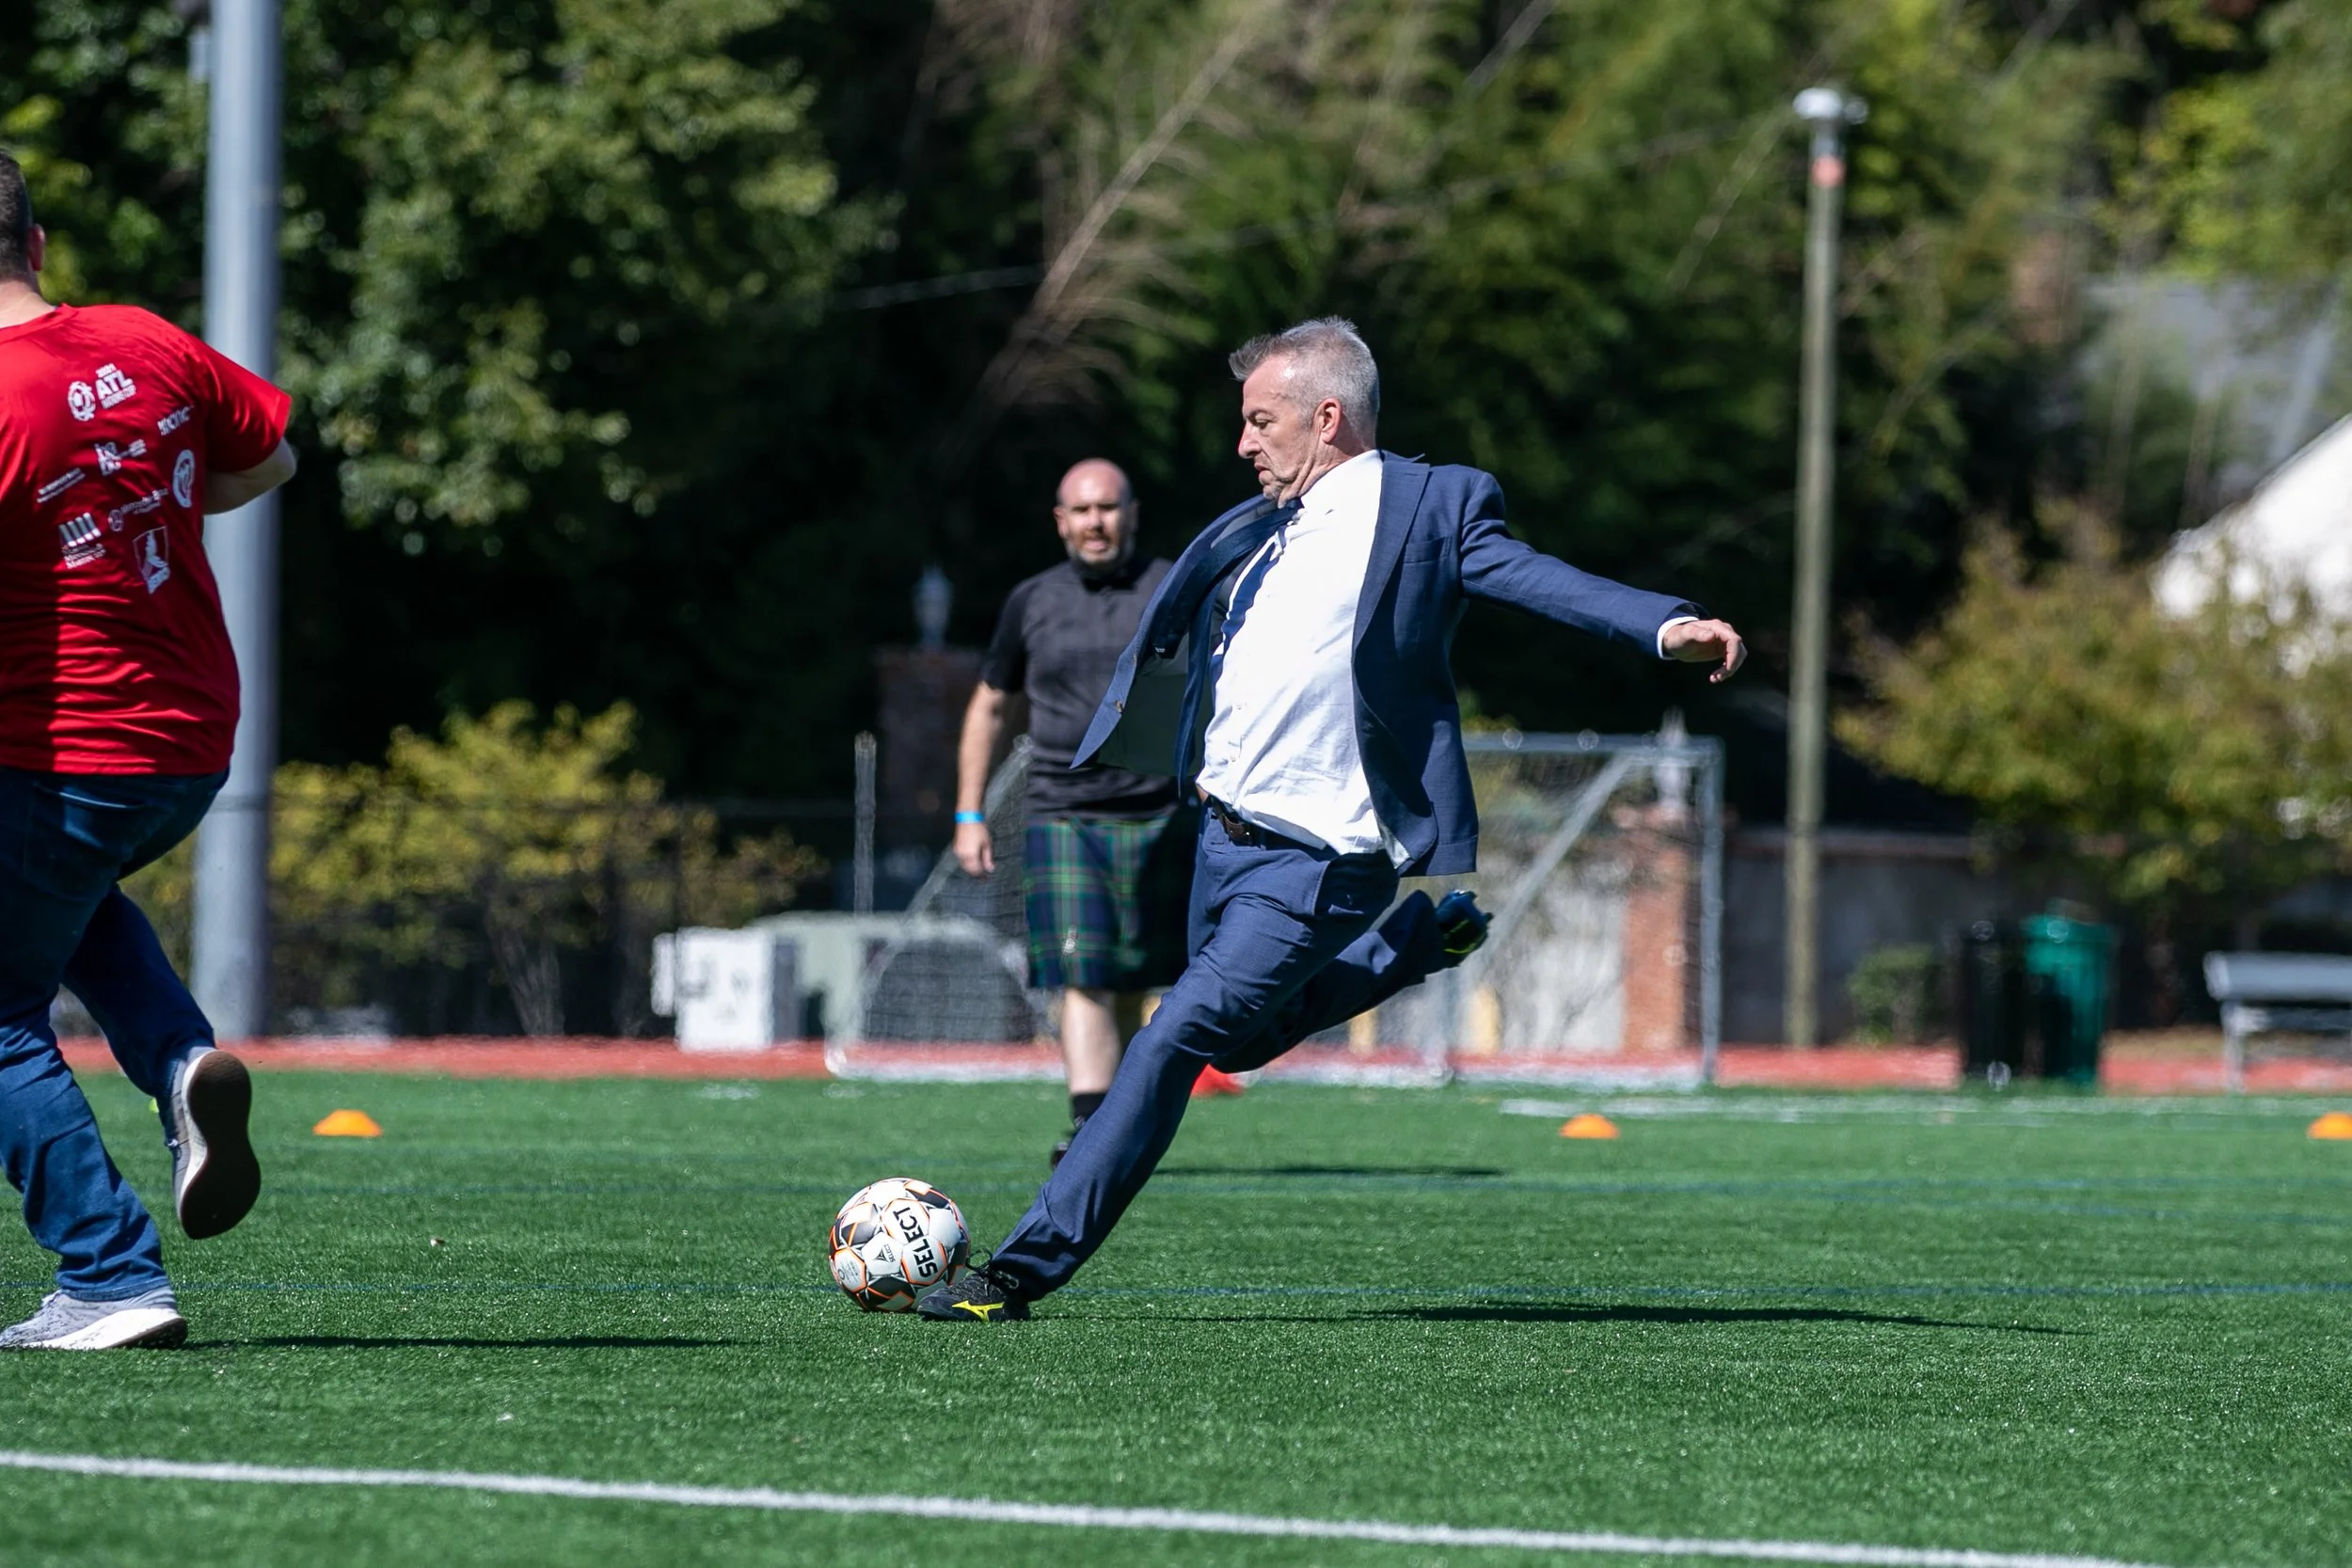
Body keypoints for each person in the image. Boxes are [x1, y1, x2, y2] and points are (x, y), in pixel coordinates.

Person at [918, 318, 1743, 1322]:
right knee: (1242, 1040)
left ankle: (1018, 1269)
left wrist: (1665, 628)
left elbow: (1539, 580)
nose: (1242, 443)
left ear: (1327, 416)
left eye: (1259, 421)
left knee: (1170, 1040)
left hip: (1323, 859)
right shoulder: (1254, 523)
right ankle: (1405, 948)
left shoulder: (1435, 507)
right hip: (1218, 839)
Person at [0, 150, 294, 1350]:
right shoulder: (144, 341)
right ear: (41, 239)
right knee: (60, 894)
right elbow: (266, 458)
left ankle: (109, 1273)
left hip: (56, 746)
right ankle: (179, 1061)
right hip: (189, 743)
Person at [955, 459, 1207, 1166]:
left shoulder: (1174, 588)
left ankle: (1117, 1120)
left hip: (1164, 809)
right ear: (1060, 520)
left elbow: (1223, 685)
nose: (1096, 521)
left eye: (1108, 507)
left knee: (1133, 983)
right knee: (1084, 976)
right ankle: (1092, 1128)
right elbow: (990, 703)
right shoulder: (1031, 601)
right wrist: (968, 813)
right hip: (1064, 812)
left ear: (1131, 512)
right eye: (1081, 509)